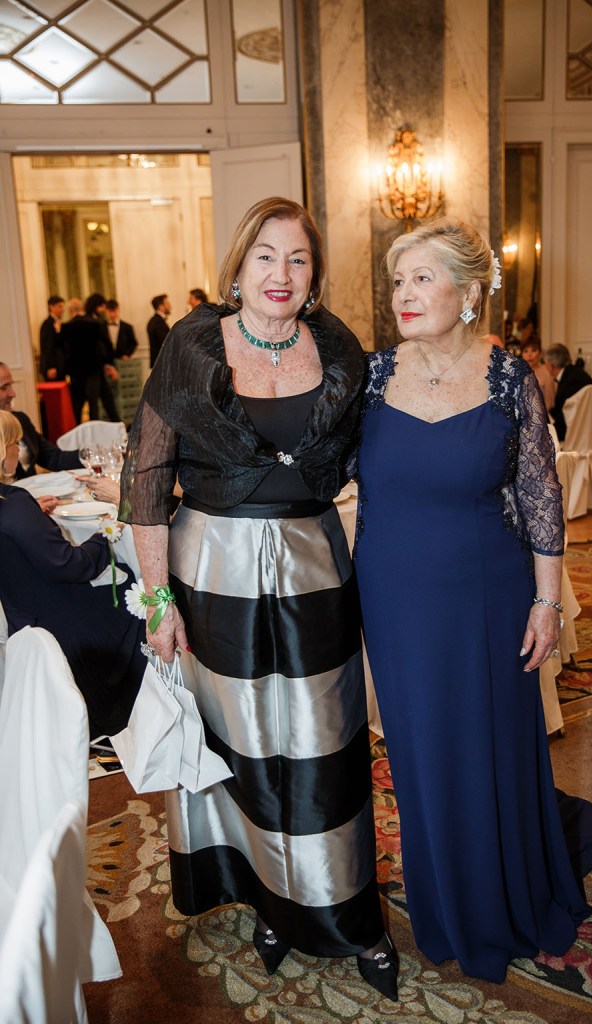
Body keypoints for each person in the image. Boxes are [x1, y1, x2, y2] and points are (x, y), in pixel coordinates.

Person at [119, 197, 397, 999]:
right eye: (265, 256)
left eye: (297, 259)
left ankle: (351, 914)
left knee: (325, 742)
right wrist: (158, 601)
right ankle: (271, 903)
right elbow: (146, 476)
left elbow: (374, 456)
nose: (281, 273)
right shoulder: (191, 346)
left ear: (314, 275)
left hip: (314, 563)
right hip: (213, 566)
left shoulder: (337, 348)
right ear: (237, 269)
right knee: (241, 745)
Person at [353, 220, 592, 984]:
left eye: (421, 278)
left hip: (487, 593)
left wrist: (546, 603)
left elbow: (539, 495)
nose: (403, 294)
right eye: (397, 280)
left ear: (469, 292)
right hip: (395, 601)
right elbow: (315, 469)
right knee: (420, 755)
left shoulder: (508, 380)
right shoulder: (370, 377)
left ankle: (509, 894)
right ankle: (447, 904)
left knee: (492, 747)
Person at [0, 411, 144, 738]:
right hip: (62, 623)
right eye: (14, 443)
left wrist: (33, 516)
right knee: (136, 594)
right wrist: (107, 532)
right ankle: (132, 719)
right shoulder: (14, 504)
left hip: (25, 618)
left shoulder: (13, 504)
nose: (18, 451)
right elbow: (73, 565)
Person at [0, 361, 81, 480]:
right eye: (3, 388)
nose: (13, 393)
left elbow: (54, 458)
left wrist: (91, 455)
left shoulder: (20, 419)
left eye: (11, 386)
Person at [62, 294, 120, 422]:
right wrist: (108, 364)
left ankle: (79, 430)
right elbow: (106, 346)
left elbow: (64, 352)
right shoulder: (95, 324)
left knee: (78, 405)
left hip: (76, 373)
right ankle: (112, 425)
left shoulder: (66, 327)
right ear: (82, 308)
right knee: (95, 403)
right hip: (94, 370)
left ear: (70, 311)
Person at [545, 342, 592, 441]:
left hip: (575, 433)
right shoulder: (576, 373)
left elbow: (563, 414)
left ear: (550, 365)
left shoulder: (570, 381)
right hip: (591, 429)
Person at [521, 336, 555, 412]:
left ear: (540, 354)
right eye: (525, 351)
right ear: (522, 355)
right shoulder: (517, 372)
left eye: (533, 350)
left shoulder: (546, 372)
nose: (529, 354)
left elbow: (549, 404)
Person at [39, 294, 66, 381]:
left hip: (58, 366)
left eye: (63, 306)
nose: (63, 309)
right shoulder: (48, 323)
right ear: (51, 307)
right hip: (53, 368)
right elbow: (47, 346)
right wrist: (51, 366)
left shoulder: (56, 322)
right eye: (60, 306)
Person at [147, 293, 171, 367]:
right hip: (162, 363)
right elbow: (166, 342)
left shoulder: (155, 320)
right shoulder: (158, 322)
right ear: (161, 306)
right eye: (167, 303)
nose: (170, 306)